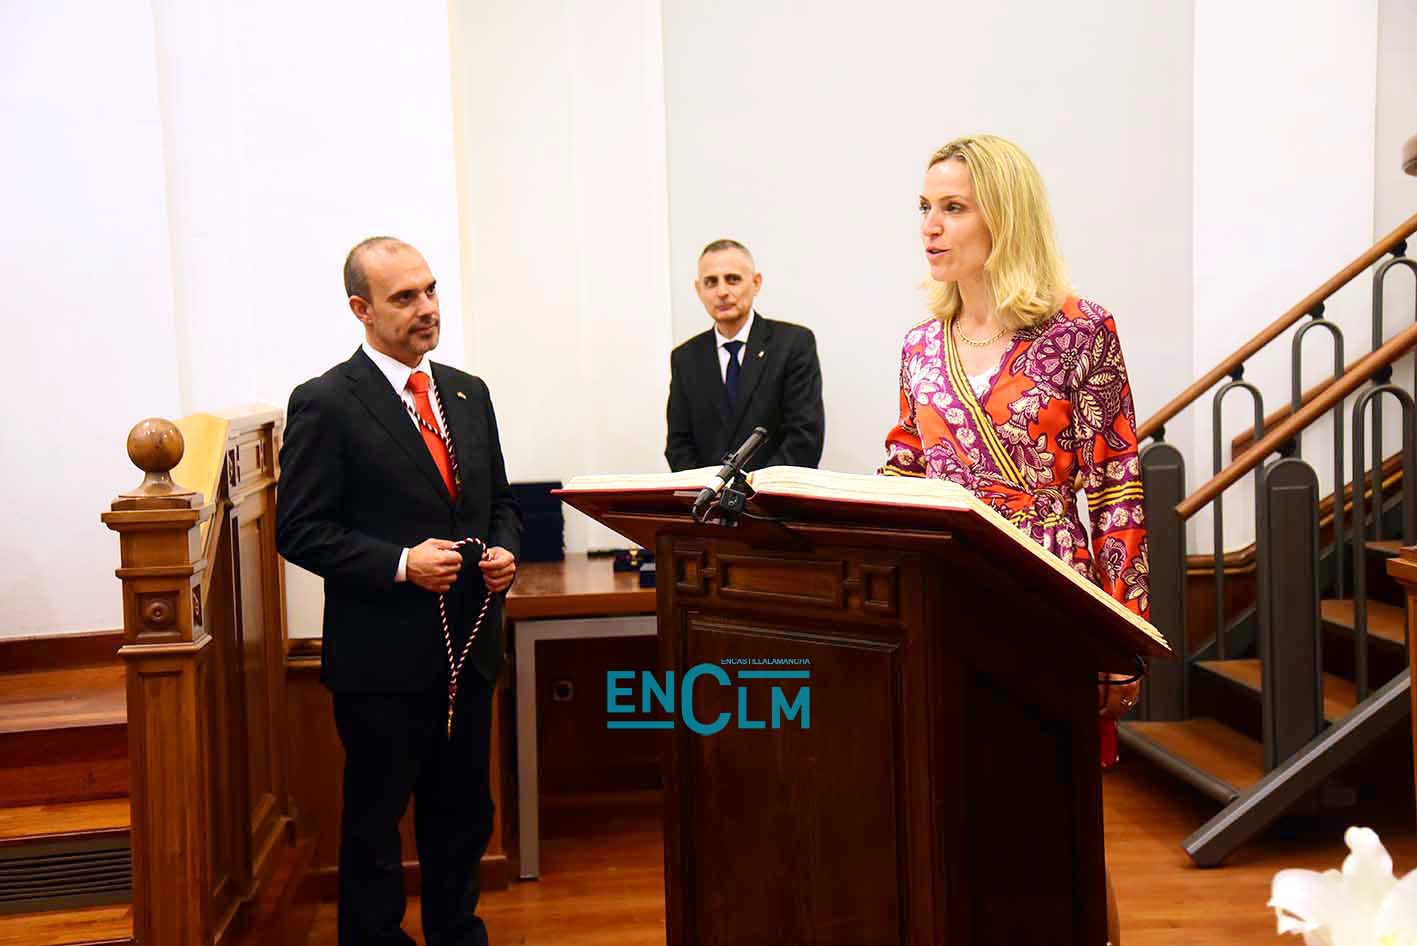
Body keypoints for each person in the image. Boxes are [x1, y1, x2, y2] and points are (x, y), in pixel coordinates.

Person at [877, 135, 1146, 944]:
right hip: (945, 607)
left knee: (1061, 824)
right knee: (961, 824)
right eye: (925, 207)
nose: (930, 226)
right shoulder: (920, 345)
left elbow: (1115, 484)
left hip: (1047, 601)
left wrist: (1120, 636)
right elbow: (904, 466)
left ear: (1004, 216)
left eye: (952, 208)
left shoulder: (1080, 329)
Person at [276, 236, 521, 946]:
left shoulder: (468, 393)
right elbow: (299, 530)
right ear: (361, 309)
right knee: (376, 826)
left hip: (468, 652)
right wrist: (400, 563)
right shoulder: (327, 402)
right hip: (381, 661)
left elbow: (499, 503)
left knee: (464, 816)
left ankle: (457, 933)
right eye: (404, 297)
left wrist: (505, 549)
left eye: (431, 290)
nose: (427, 308)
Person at [665, 239, 825, 472]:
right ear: (699, 290)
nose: (722, 292)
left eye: (733, 279)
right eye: (711, 282)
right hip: (707, 494)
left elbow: (804, 438)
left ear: (756, 283)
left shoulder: (793, 344)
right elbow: (679, 445)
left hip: (774, 492)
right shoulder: (685, 358)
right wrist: (711, 489)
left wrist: (751, 489)